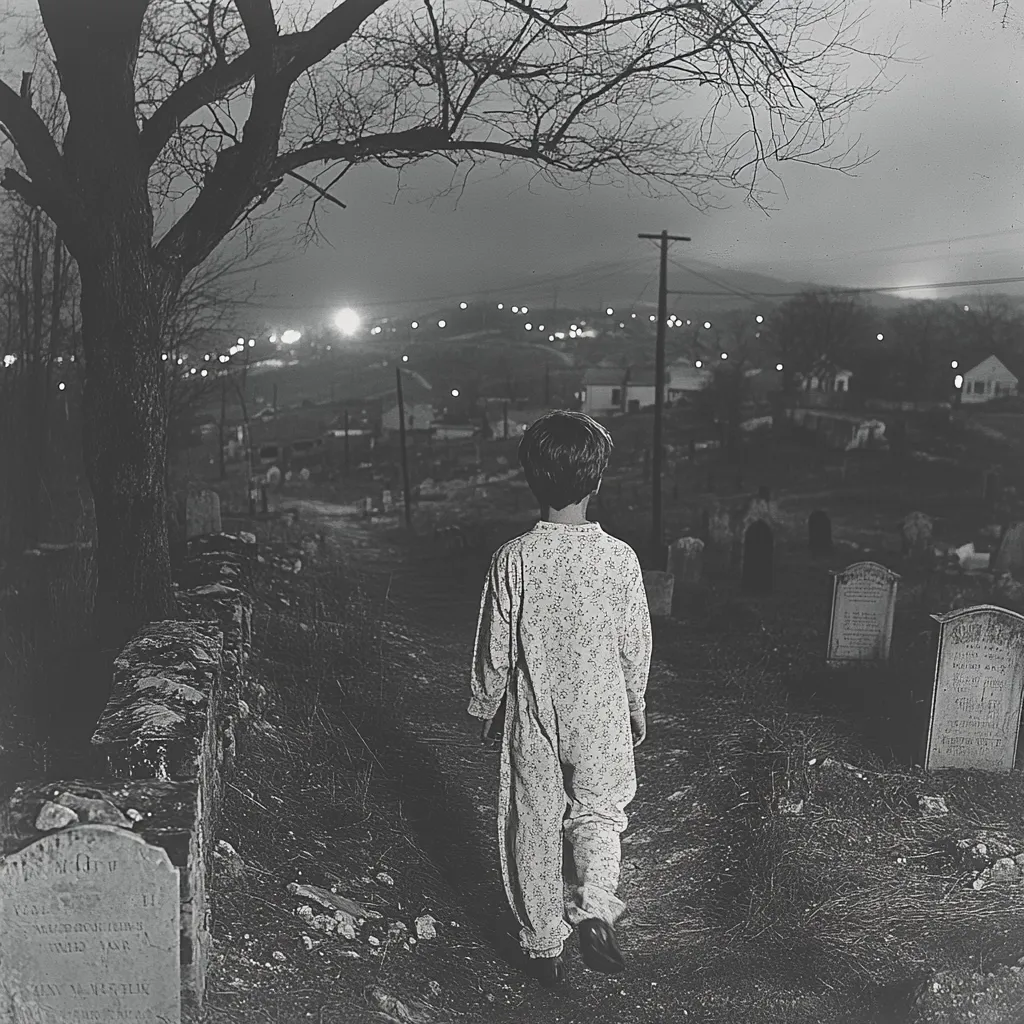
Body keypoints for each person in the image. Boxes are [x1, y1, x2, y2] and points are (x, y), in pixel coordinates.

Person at [467, 410, 652, 988]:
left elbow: (494, 646)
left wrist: (486, 705)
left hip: (536, 711)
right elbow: (634, 641)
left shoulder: (515, 557)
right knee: (600, 814)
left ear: (531, 477)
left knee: (535, 821)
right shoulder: (619, 558)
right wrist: (634, 701)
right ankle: (594, 907)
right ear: (596, 482)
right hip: (599, 710)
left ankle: (545, 941)